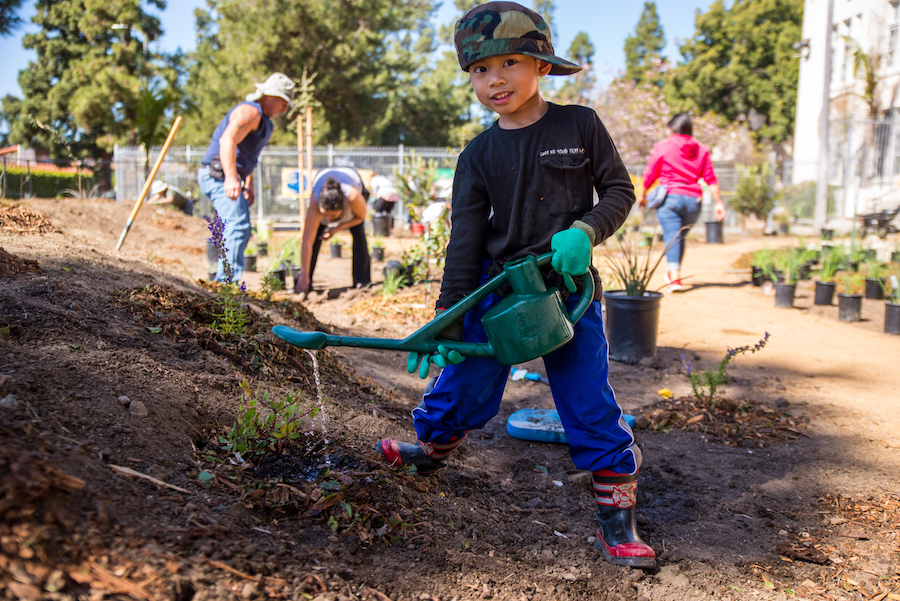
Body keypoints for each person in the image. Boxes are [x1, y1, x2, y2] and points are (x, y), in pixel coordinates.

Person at [375, 1, 655, 569]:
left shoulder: (580, 125)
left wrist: (586, 230)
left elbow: (620, 192)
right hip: (497, 292)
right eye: (480, 69)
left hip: (567, 293)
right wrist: (447, 318)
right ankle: (433, 448)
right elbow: (465, 242)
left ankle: (617, 518)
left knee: (587, 398)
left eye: (508, 62)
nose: (494, 79)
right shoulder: (476, 155)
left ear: (541, 65)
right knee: (464, 381)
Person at [198, 73, 294, 282]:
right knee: (238, 226)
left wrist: (247, 183)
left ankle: (225, 283)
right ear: (269, 96)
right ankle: (225, 287)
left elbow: (248, 154)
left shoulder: (264, 121)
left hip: (230, 176)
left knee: (238, 228)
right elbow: (227, 141)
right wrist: (231, 178)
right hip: (217, 175)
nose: (285, 109)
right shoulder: (250, 111)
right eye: (283, 102)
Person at [638, 112, 726, 291]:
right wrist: (718, 203)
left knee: (672, 236)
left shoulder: (664, 146)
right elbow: (710, 178)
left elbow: (650, 173)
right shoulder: (702, 149)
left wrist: (643, 194)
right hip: (693, 201)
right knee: (680, 236)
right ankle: (675, 273)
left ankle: (674, 277)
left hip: (671, 197)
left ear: (672, 129)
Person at [294, 167, 371, 294]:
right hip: (323, 177)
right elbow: (307, 242)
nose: (328, 219)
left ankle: (362, 281)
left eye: (333, 216)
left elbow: (360, 217)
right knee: (314, 238)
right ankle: (306, 281)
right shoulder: (315, 203)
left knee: (359, 234)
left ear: (344, 207)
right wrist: (304, 274)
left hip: (351, 179)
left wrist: (336, 229)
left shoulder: (353, 196)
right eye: (325, 215)